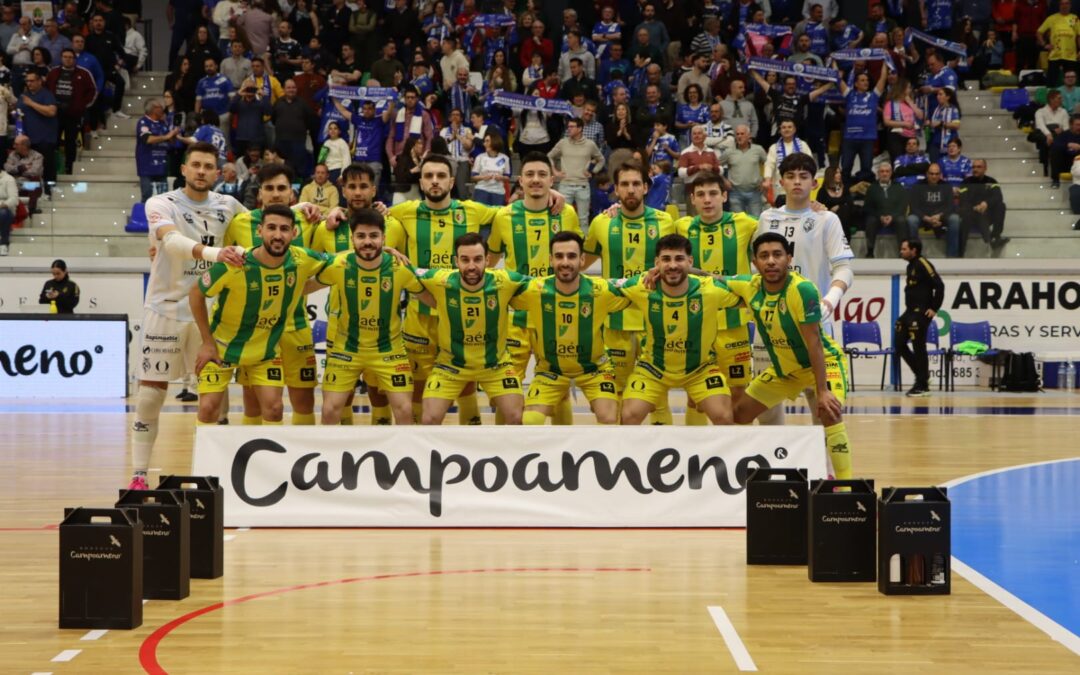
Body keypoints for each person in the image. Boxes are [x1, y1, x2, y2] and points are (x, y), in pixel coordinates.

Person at [128, 142, 249, 490]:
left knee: (214, 397)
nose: (201, 171)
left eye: (208, 166)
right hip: (164, 310)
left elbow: (263, 221)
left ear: (218, 172)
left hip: (208, 316)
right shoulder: (161, 203)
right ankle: (138, 475)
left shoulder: (229, 205)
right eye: (195, 165)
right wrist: (218, 253)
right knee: (151, 394)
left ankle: (214, 475)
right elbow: (170, 242)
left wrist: (304, 208)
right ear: (183, 169)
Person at [385, 154, 506, 424]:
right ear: (421, 181)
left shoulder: (472, 210)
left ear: (452, 181)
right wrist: (337, 212)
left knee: (464, 381)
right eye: (429, 176)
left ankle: (469, 446)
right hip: (421, 314)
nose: (435, 181)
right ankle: (417, 452)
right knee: (417, 387)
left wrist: (552, 194)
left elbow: (512, 212)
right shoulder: (405, 211)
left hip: (461, 317)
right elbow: (367, 219)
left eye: (441, 176)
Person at [727, 232, 853, 479]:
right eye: (764, 256)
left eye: (777, 255)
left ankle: (845, 485)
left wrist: (823, 390)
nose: (771, 261)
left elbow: (814, 343)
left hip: (823, 364)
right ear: (755, 262)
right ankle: (750, 473)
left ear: (789, 258)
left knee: (829, 411)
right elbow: (714, 279)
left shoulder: (802, 289)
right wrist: (680, 269)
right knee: (739, 414)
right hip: (785, 372)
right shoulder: (749, 286)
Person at [189, 204, 328, 426]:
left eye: (284, 229)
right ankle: (203, 460)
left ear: (294, 233)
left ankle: (269, 461)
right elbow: (196, 293)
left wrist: (384, 251)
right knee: (208, 409)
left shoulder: (302, 259)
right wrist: (206, 342)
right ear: (259, 231)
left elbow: (340, 261)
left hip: (264, 351)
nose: (277, 235)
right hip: (222, 347)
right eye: (271, 228)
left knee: (274, 409)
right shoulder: (235, 262)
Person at [755, 153, 854, 427]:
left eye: (804, 176)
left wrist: (829, 302)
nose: (797, 182)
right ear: (781, 181)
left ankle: (825, 468)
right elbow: (755, 272)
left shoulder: (826, 220)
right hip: (771, 327)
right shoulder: (766, 218)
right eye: (790, 176)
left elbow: (845, 268)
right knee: (766, 407)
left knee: (824, 405)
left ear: (814, 182)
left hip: (813, 323)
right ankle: (776, 463)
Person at [222, 162, 324, 424]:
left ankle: (301, 463)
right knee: (255, 406)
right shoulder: (239, 224)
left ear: (292, 193)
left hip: (295, 326)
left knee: (304, 403)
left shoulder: (309, 221)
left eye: (282, 188)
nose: (275, 194)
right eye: (269, 188)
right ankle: (252, 464)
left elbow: (328, 262)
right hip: (255, 332)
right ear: (260, 193)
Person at [487, 152, 583, 423]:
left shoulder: (567, 213)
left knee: (559, 388)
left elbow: (578, 260)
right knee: (507, 391)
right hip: (516, 317)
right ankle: (503, 455)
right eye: (530, 174)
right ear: (520, 180)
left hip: (555, 316)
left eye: (542, 175)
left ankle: (563, 457)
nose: (536, 180)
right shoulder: (504, 216)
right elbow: (491, 261)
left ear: (552, 180)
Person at [309, 208, 425, 425]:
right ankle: (331, 457)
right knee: (329, 410)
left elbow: (432, 298)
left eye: (373, 236)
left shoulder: (399, 268)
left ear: (384, 237)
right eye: (361, 236)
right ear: (352, 239)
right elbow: (305, 287)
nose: (367, 242)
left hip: (389, 349)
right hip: (346, 348)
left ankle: (403, 457)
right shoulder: (338, 265)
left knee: (404, 410)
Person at [583, 160, 677, 424]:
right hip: (615, 323)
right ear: (616, 189)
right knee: (617, 397)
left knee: (658, 397)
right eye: (625, 184)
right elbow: (582, 264)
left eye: (637, 183)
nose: (631, 189)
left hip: (654, 322)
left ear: (646, 187)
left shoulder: (666, 222)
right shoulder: (602, 223)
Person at [613, 234, 741, 425]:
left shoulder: (711, 290)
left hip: (700, 369)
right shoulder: (643, 286)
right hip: (653, 369)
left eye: (679, 259)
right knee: (629, 415)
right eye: (666, 259)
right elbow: (602, 287)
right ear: (656, 263)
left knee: (724, 416)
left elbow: (751, 293)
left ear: (690, 261)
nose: (672, 265)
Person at [410, 232, 530, 425]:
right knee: (429, 419)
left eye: (477, 259)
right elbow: (406, 270)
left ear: (488, 260)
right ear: (456, 261)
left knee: (517, 416)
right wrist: (390, 254)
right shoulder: (441, 279)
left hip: (496, 366)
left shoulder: (505, 280)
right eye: (465, 260)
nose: (471, 266)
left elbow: (545, 285)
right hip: (450, 366)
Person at [510, 231, 629, 425]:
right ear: (550, 259)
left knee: (609, 418)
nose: (565, 262)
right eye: (559, 256)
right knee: (530, 421)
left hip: (595, 370)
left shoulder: (601, 290)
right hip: (550, 371)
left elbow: (638, 287)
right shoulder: (535, 290)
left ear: (582, 259)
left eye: (572, 256)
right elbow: (498, 286)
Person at [675, 171, 758, 420]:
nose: (707, 200)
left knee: (738, 391)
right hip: (696, 326)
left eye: (713, 193)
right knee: (695, 397)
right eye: (701, 195)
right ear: (693, 199)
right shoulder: (682, 226)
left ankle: (738, 455)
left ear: (724, 196)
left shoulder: (747, 223)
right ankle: (696, 454)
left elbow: (781, 220)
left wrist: (814, 205)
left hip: (734, 324)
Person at [895, 238, 944, 397]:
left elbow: (939, 285)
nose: (901, 251)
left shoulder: (923, 263)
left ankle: (922, 385)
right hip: (909, 311)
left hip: (921, 312)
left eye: (904, 249)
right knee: (899, 343)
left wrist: (934, 308)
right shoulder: (910, 266)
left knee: (919, 347)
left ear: (914, 250)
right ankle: (923, 376)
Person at [548, 118, 604, 224]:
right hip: (565, 185)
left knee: (583, 218)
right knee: (563, 217)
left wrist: (593, 171)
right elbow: (549, 156)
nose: (569, 129)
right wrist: (554, 171)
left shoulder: (590, 144)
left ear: (580, 129)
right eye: (568, 126)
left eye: (572, 127)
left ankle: (584, 240)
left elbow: (601, 160)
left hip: (582, 185)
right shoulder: (563, 143)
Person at [838, 67, 888, 184]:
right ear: (856, 83)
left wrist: (885, 62)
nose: (866, 82)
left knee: (866, 169)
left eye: (867, 80)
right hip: (850, 139)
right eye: (862, 80)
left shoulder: (873, 96)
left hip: (867, 139)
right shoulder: (850, 95)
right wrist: (834, 61)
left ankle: (863, 194)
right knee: (845, 168)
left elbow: (883, 78)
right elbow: (838, 80)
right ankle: (844, 194)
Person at [907, 163, 962, 258]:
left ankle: (952, 256)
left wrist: (939, 216)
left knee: (955, 219)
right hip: (923, 217)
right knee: (911, 220)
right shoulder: (917, 186)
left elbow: (950, 206)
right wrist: (927, 218)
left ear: (940, 175)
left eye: (936, 174)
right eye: (931, 174)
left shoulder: (946, 186)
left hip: (941, 217)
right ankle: (914, 255)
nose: (934, 176)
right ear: (926, 174)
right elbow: (914, 207)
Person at [16, 70, 57, 197]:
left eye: (32, 80)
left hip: (45, 138)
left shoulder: (46, 95)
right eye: (27, 81)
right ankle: (32, 193)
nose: (29, 83)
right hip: (28, 140)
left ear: (40, 81)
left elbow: (51, 112)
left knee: (47, 167)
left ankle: (50, 191)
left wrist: (31, 103)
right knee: (29, 169)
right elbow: (18, 116)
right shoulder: (23, 96)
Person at [960, 158, 1011, 253]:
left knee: (1001, 205)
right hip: (971, 214)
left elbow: (998, 197)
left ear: (985, 168)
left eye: (979, 167)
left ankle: (996, 237)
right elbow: (963, 200)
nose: (975, 169)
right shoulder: (966, 182)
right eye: (974, 167)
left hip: (987, 213)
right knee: (969, 212)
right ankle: (989, 240)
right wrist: (975, 207)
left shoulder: (992, 181)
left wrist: (986, 203)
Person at [136, 99, 180, 203]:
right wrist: (166, 136)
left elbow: (170, 142)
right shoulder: (144, 122)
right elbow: (147, 139)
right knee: (147, 195)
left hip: (161, 167)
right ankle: (145, 217)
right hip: (147, 167)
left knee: (163, 198)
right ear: (153, 109)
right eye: (160, 107)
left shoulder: (163, 124)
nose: (163, 109)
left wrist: (173, 136)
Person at [863, 162, 911, 258]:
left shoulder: (899, 187)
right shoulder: (872, 188)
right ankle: (870, 251)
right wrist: (880, 216)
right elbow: (868, 207)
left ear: (891, 173)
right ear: (878, 173)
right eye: (882, 171)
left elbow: (903, 206)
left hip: (895, 216)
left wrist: (892, 216)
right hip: (877, 216)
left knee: (901, 221)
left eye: (887, 171)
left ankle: (902, 251)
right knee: (870, 220)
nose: (884, 174)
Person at [723, 124, 768, 217]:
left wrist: (765, 180)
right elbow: (715, 166)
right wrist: (723, 180)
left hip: (755, 192)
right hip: (735, 193)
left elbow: (769, 164)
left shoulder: (758, 149)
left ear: (749, 136)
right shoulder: (729, 151)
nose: (739, 136)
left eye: (742, 134)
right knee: (739, 222)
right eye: (737, 134)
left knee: (756, 221)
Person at [1037, 0, 1080, 86]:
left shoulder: (1075, 18)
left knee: (1071, 81)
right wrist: (1044, 44)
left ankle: (1071, 98)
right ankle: (1051, 97)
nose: (1064, 6)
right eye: (1062, 4)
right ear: (1059, 6)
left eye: (1067, 3)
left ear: (1070, 5)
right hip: (1054, 55)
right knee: (1051, 81)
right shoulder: (1051, 18)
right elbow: (1039, 32)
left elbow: (1079, 35)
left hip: (1070, 55)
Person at [4, 135, 44, 214]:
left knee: (35, 180)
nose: (13, 146)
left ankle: (31, 209)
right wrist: (21, 168)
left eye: (16, 144)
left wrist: (16, 171)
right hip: (14, 185)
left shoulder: (37, 156)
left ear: (24, 146)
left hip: (28, 186)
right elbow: (7, 167)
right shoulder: (12, 155)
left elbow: (35, 172)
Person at [470, 129, 511, 206]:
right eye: (484, 141)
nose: (484, 144)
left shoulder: (505, 158)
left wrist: (501, 178)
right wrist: (483, 177)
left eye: (487, 141)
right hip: (482, 190)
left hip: (498, 192)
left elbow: (508, 177)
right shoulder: (480, 157)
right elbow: (473, 177)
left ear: (494, 141)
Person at [0, 162, 17, 256]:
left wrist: (3, 204)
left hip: (5, 209)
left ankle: (3, 244)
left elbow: (14, 199)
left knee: (3, 214)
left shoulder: (9, 179)